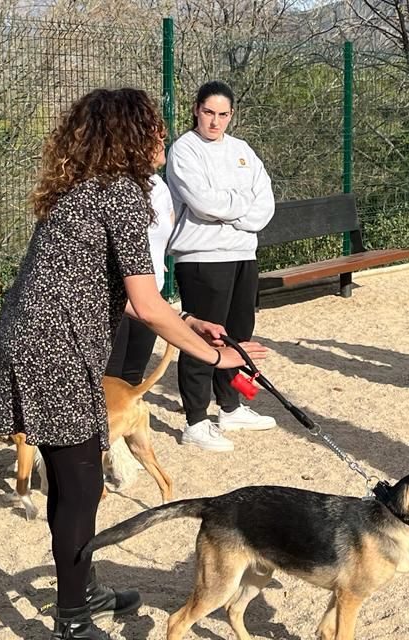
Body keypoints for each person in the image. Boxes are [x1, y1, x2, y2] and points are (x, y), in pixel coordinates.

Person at [0, 88, 268, 640]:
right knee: (80, 485)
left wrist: (189, 319)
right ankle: (73, 618)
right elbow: (144, 302)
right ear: (131, 135)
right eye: (155, 128)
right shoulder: (118, 194)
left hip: (38, 342)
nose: (164, 136)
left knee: (77, 481)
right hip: (53, 351)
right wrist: (217, 355)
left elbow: (124, 290)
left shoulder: (82, 189)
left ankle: (81, 587)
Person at [166, 80, 276, 452]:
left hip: (243, 253)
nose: (215, 121)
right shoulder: (184, 150)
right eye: (209, 112)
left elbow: (265, 203)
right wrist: (239, 205)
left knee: (239, 332)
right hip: (201, 257)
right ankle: (196, 420)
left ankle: (230, 405)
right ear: (196, 109)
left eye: (223, 114)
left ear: (232, 115)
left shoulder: (243, 150)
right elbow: (202, 203)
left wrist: (235, 212)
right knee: (202, 337)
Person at [104, 152, 175, 385]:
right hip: (118, 295)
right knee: (110, 375)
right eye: (156, 137)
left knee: (134, 374)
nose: (161, 144)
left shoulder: (158, 184)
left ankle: (128, 421)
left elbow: (168, 222)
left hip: (152, 288)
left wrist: (159, 255)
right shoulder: (116, 184)